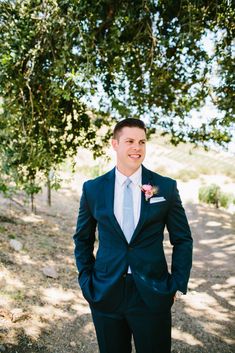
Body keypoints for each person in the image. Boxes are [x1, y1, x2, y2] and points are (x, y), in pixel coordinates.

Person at [73, 118, 193, 353]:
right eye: (129, 141)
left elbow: (182, 238)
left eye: (142, 142)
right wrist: (87, 281)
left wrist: (176, 283)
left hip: (152, 292)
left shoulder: (164, 187)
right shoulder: (93, 189)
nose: (137, 147)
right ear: (115, 144)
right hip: (105, 291)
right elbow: (83, 239)